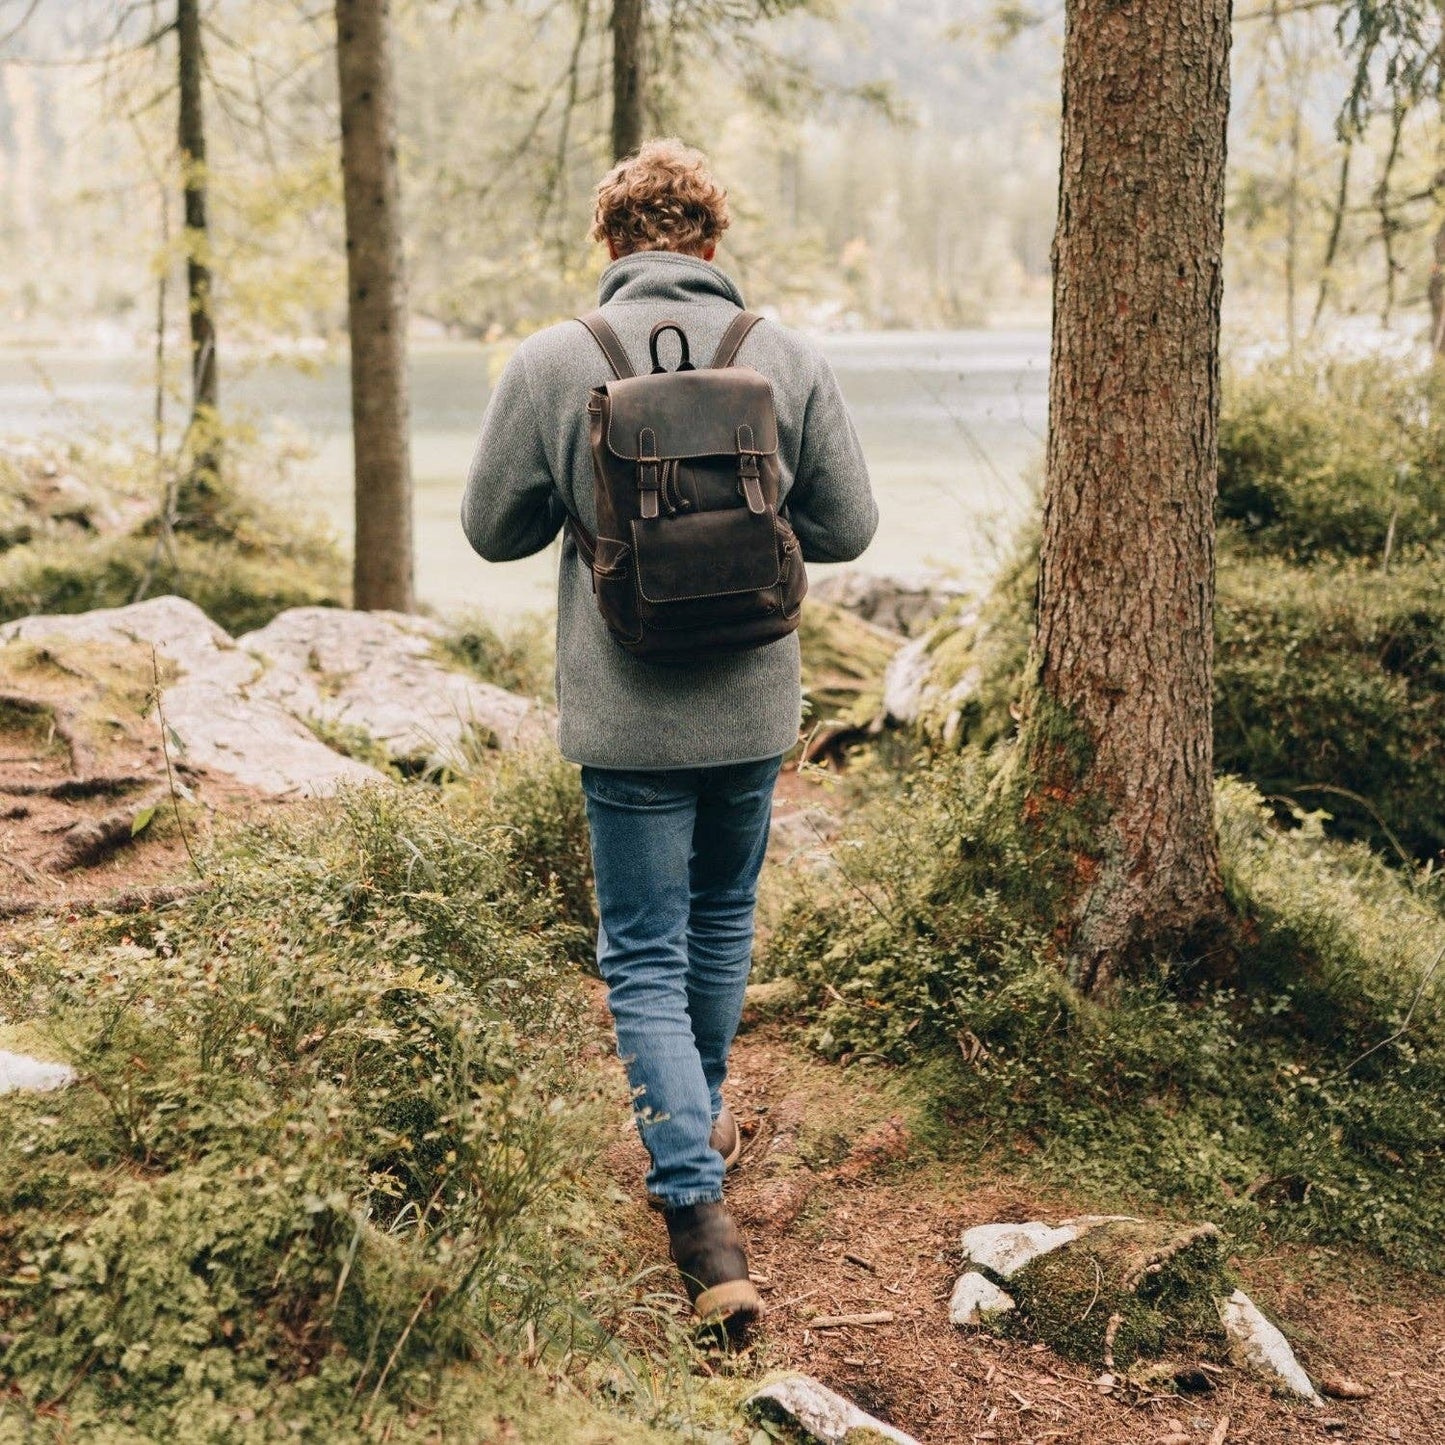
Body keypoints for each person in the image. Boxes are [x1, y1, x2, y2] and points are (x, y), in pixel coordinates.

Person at [461, 138, 876, 1334]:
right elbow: (846, 525)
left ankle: (695, 1213)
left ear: (608, 246)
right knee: (720, 920)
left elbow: (491, 530)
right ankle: (694, 1141)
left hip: (625, 708)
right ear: (710, 243)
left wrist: (582, 496)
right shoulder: (781, 353)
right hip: (751, 704)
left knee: (640, 951)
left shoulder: (553, 360)